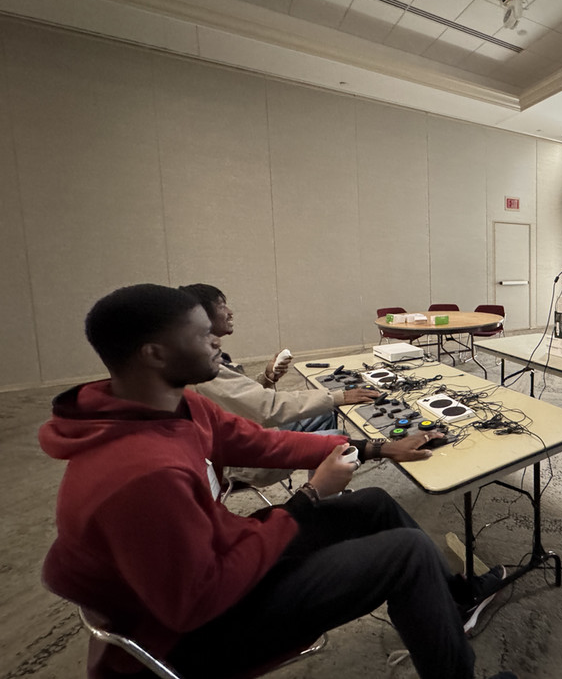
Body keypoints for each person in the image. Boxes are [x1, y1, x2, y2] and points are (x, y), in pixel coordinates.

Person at [39, 284, 509, 679]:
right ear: (154, 353)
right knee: (407, 555)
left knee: (374, 505)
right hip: (192, 633)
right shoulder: (141, 475)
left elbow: (266, 445)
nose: (217, 344)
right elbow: (196, 603)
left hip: (216, 560)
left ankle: (455, 599)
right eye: (203, 335)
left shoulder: (178, 406)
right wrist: (307, 498)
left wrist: (377, 447)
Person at [178, 282, 377, 487]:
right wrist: (338, 397)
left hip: (243, 433)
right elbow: (267, 408)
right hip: (238, 459)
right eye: (221, 306)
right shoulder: (202, 369)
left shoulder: (203, 360)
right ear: (201, 316)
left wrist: (267, 377)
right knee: (338, 441)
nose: (230, 312)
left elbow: (239, 400)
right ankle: (320, 499)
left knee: (322, 412)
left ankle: (321, 488)